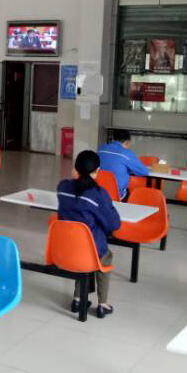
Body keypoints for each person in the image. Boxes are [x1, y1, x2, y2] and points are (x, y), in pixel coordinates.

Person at [57, 150, 121, 319]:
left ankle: (77, 299)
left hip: (63, 248)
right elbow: (114, 224)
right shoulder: (98, 194)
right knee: (103, 255)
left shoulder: (62, 187)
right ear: (97, 171)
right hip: (88, 249)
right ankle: (102, 304)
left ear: (75, 168)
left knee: (81, 251)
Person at [98, 129, 150, 200]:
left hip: (99, 192)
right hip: (116, 195)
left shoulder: (101, 149)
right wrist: (128, 169)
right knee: (131, 195)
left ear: (113, 139)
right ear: (127, 142)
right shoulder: (126, 153)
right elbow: (144, 172)